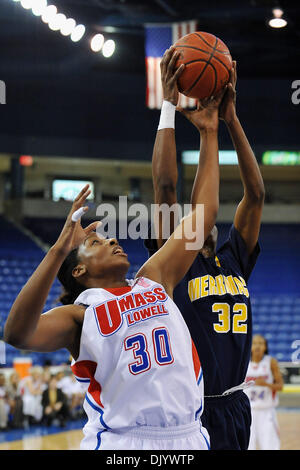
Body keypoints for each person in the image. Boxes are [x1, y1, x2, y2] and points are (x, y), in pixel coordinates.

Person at [4, 116, 220, 452]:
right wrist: (60, 248)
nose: (111, 240)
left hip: (189, 436)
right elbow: (16, 333)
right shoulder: (79, 314)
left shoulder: (153, 278)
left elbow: (204, 213)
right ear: (78, 271)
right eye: (96, 243)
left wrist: (209, 132)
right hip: (122, 443)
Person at [145, 47, 265, 450]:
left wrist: (230, 121)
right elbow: (164, 187)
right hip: (192, 410)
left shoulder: (234, 259)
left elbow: (256, 194)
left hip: (236, 405)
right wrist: (167, 105)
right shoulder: (175, 266)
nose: (194, 222)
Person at [245, 334, 284, 450]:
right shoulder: (244, 362)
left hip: (266, 412)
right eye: (254, 343)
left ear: (265, 347)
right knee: (247, 446)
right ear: (250, 346)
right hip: (248, 411)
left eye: (260, 343)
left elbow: (280, 386)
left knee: (270, 446)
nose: (257, 346)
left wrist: (266, 384)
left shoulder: (271, 362)